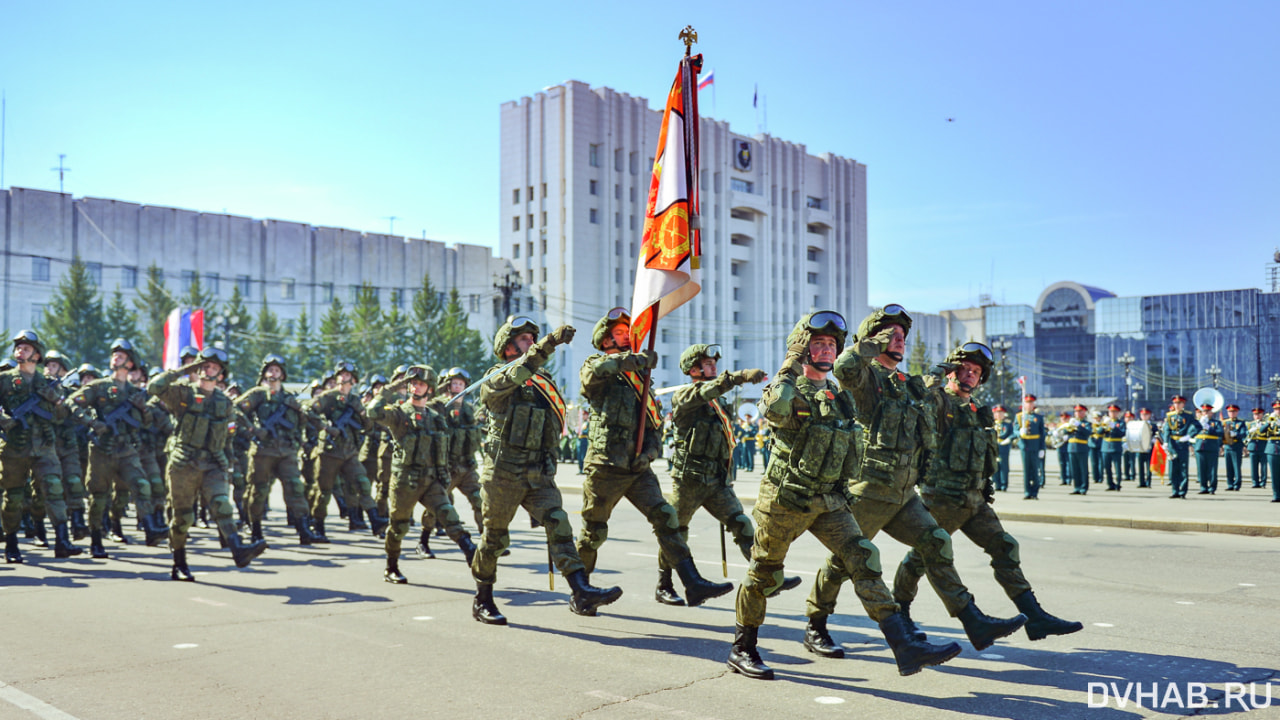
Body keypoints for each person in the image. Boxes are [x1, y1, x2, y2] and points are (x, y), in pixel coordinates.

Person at [727, 310, 962, 681]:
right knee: (764, 574)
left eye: (831, 344)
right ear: (803, 348)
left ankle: (904, 646)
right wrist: (789, 364)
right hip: (786, 502)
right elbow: (774, 410)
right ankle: (743, 647)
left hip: (829, 500)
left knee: (863, 556)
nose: (826, 350)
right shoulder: (787, 387)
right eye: (818, 343)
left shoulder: (837, 394)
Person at [804, 308, 1024, 661]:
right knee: (845, 562)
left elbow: (931, 405)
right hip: (869, 491)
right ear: (872, 338)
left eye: (902, 334)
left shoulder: (905, 384)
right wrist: (870, 345)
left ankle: (973, 620)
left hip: (904, 493)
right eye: (890, 333)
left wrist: (945, 372)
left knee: (936, 542)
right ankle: (816, 621)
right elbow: (844, 368)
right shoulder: (866, 379)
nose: (899, 338)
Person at [892, 343, 1083, 642]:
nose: (969, 375)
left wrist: (985, 484)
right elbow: (925, 395)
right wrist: (941, 369)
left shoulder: (978, 410)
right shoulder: (941, 402)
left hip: (974, 499)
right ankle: (900, 611)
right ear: (953, 372)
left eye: (975, 372)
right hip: (940, 498)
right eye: (964, 369)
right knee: (920, 558)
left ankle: (1034, 617)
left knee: (1005, 547)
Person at [576, 308, 732, 608]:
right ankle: (582, 590)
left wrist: (648, 453)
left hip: (636, 469)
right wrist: (633, 360)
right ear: (606, 340)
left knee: (666, 517)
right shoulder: (597, 366)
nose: (628, 337)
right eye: (621, 333)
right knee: (594, 531)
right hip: (605, 466)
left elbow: (654, 426)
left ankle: (692, 582)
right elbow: (594, 375)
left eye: (627, 332)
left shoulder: (641, 380)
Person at [470, 316, 622, 624]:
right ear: (508, 345)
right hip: (504, 475)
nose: (531, 343)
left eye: (532, 338)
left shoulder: (544, 382)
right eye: (524, 339)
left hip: (537, 474)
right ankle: (483, 598)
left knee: (559, 525)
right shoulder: (497, 377)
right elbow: (515, 375)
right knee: (495, 539)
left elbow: (551, 430)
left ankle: (580, 589)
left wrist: (549, 466)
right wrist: (549, 343)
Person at [658, 343, 799, 606]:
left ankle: (768, 577)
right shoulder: (685, 396)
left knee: (741, 524)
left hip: (716, 481)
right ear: (693, 369)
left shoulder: (718, 401)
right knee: (676, 532)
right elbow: (707, 390)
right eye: (708, 363)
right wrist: (739, 377)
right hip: (690, 479)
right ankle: (664, 583)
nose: (714, 367)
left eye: (714, 363)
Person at [149, 347, 266, 580]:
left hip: (213, 464)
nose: (207, 370)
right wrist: (184, 370)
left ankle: (238, 550)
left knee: (222, 505)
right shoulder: (184, 394)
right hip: (184, 464)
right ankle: (179, 563)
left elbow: (227, 438)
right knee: (183, 517)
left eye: (213, 367)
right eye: (204, 366)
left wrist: (229, 466)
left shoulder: (225, 403)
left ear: (220, 375)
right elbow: (154, 387)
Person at [367, 365, 477, 584]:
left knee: (450, 517)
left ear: (431, 389)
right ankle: (391, 566)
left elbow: (442, 449)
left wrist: (443, 478)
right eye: (413, 383)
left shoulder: (435, 416)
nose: (415, 387)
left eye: (421, 384)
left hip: (431, 482)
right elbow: (373, 412)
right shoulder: (398, 413)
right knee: (399, 526)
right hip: (406, 481)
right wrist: (391, 387)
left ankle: (473, 555)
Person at [67, 338, 166, 555]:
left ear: (130, 364)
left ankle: (150, 529)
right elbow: (71, 402)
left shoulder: (134, 392)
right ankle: (95, 539)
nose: (115, 357)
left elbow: (147, 423)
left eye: (121, 355)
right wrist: (91, 422)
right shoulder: (99, 386)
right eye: (114, 354)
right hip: (102, 450)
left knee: (142, 485)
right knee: (99, 496)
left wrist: (144, 410)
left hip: (126, 449)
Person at [1, 331, 81, 563]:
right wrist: (3, 418)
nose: (20, 351)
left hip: (44, 447)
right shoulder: (5, 380)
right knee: (14, 496)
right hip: (14, 448)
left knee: (55, 489)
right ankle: (12, 544)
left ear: (37, 355)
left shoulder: (46, 384)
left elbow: (63, 416)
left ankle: (62, 541)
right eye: (18, 347)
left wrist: (55, 399)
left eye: (26, 348)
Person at [235, 354, 323, 545]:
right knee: (258, 491)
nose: (273, 373)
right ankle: (255, 530)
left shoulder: (289, 398)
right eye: (270, 370)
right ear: (264, 374)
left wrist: (300, 416)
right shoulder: (257, 394)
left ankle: (304, 529)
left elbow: (302, 422)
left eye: (277, 370)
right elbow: (235, 410)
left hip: (286, 452)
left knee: (296, 488)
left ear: (283, 375)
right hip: (263, 452)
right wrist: (252, 431)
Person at [304, 361, 388, 537]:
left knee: (363, 484)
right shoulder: (328, 396)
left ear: (354, 380)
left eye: (347, 376)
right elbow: (307, 410)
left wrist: (364, 413)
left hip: (349, 453)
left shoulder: (355, 401)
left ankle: (375, 521)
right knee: (323, 491)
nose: (343, 378)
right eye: (340, 375)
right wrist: (325, 427)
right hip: (329, 452)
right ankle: (317, 526)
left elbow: (368, 427)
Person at [439, 367, 485, 534]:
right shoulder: (440, 407)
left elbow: (482, 428)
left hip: (466, 467)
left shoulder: (470, 410)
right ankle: (424, 538)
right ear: (448, 386)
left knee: (480, 501)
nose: (457, 386)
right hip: (447, 468)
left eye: (461, 383)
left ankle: (488, 541)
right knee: (437, 504)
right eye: (454, 383)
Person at [1160, 395, 1201, 499]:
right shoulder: (1170, 416)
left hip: (1182, 444)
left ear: (1183, 404)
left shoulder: (1188, 415)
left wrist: (1189, 436)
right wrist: (1165, 442)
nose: (1177, 405)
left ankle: (1183, 491)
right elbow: (1167, 430)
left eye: (1179, 403)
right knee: (1174, 469)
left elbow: (1198, 426)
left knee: (1183, 468)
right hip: (1172, 444)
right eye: (1175, 403)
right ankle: (1175, 490)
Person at [1014, 395, 1045, 499]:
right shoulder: (1019, 416)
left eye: (1031, 402)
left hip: (1035, 446)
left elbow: (1042, 435)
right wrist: (1019, 432)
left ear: (1034, 404)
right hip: (1024, 446)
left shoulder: (1039, 417)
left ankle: (1035, 492)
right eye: (1027, 402)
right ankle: (1027, 492)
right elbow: (1015, 430)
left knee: (1035, 470)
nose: (1029, 404)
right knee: (1026, 471)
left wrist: (1042, 448)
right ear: (1024, 404)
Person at [1194, 404, 1223, 495]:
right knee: (1201, 469)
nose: (1206, 413)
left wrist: (1209, 428)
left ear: (1211, 412)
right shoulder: (1197, 422)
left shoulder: (1216, 422)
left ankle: (1212, 488)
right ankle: (1203, 487)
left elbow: (1220, 433)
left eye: (1208, 411)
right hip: (1199, 447)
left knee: (1212, 469)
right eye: (1204, 411)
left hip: (1212, 447)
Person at [1064, 405, 1092, 495]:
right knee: (1074, 469)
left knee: (1083, 469)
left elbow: (1088, 432)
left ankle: (1083, 488)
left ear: (1084, 412)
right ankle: (1076, 487)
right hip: (1071, 447)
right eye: (1076, 411)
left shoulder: (1087, 424)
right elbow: (1066, 431)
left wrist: (1079, 426)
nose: (1078, 413)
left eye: (1080, 411)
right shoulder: (1071, 422)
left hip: (1081, 447)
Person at [1221, 405, 1247, 492]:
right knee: (1229, 466)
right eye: (1230, 412)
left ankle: (1237, 484)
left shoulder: (1241, 423)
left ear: (1237, 412)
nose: (1232, 413)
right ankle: (1230, 484)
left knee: (1236, 466)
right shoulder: (1224, 422)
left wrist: (1235, 434)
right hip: (1227, 446)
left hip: (1236, 446)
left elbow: (1243, 433)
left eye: (1234, 412)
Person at [1100, 405, 1126, 491]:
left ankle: (1118, 483)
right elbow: (1099, 432)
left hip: (1116, 446)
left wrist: (1114, 427)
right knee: (1107, 467)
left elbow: (1122, 433)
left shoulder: (1121, 423)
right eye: (1111, 412)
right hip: (1105, 447)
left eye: (1114, 412)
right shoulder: (1105, 422)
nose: (1112, 414)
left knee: (1117, 466)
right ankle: (1110, 483)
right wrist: (1103, 426)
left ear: (1118, 413)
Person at [992, 406, 1013, 492]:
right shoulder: (992, 424)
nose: (999, 415)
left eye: (1001, 413)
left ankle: (1004, 484)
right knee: (994, 466)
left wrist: (1008, 439)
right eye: (997, 413)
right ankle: (997, 484)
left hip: (1003, 447)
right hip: (993, 447)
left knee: (1004, 466)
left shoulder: (1007, 424)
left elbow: (1012, 433)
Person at [1248, 408, 1269, 488]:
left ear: (1262, 415)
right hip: (1253, 447)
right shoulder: (1250, 424)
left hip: (1263, 447)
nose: (1257, 416)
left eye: (1259, 414)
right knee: (1254, 466)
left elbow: (1268, 435)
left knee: (1263, 466)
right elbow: (1246, 435)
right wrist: (1250, 431)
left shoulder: (1266, 424)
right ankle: (1255, 482)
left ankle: (1263, 482)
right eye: (1255, 414)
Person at [1137, 408, 1157, 488]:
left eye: (1146, 415)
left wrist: (1154, 439)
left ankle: (1148, 482)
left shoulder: (1153, 425)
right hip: (1140, 447)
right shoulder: (1138, 424)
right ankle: (1141, 482)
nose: (1144, 416)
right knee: (1140, 465)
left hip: (1149, 447)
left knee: (1149, 465)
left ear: (1149, 415)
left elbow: (1156, 434)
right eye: (1142, 415)